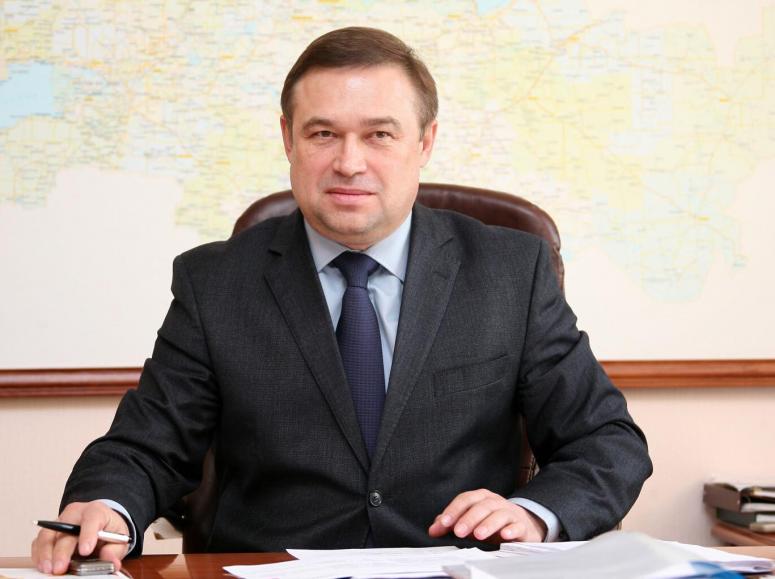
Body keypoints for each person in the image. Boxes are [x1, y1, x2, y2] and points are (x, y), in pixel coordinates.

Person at [32, 26, 652, 575]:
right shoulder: (216, 282)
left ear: (425, 142)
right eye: (323, 133)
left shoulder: (510, 272)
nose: (349, 163)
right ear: (288, 139)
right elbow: (147, 445)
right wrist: (107, 506)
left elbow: (607, 441)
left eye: (379, 134)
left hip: (455, 571)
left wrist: (535, 514)